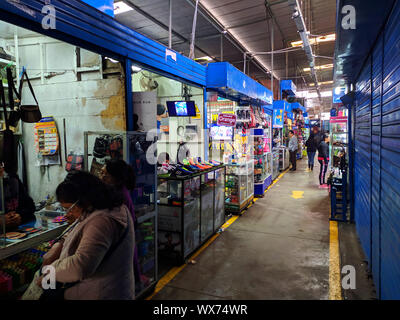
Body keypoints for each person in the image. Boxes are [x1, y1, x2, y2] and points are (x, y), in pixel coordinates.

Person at [38, 171, 135, 300]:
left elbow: (80, 266)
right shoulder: (97, 209)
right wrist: (59, 244)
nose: (69, 213)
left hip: (101, 292)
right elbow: (76, 229)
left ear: (83, 198)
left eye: (70, 208)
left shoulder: (102, 221)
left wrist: (50, 271)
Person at [0, 162, 35, 229]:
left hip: (17, 230)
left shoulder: (12, 179)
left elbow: (31, 206)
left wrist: (20, 215)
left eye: (1, 165)